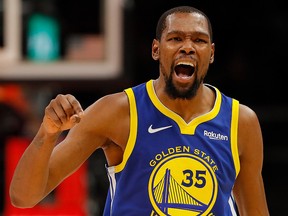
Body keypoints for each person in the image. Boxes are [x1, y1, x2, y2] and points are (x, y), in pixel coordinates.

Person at [9, 5, 270, 216]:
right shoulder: (118, 111)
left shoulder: (240, 121)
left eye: (199, 40)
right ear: (156, 49)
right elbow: (24, 196)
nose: (188, 46)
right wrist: (48, 132)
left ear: (211, 53)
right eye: (176, 38)